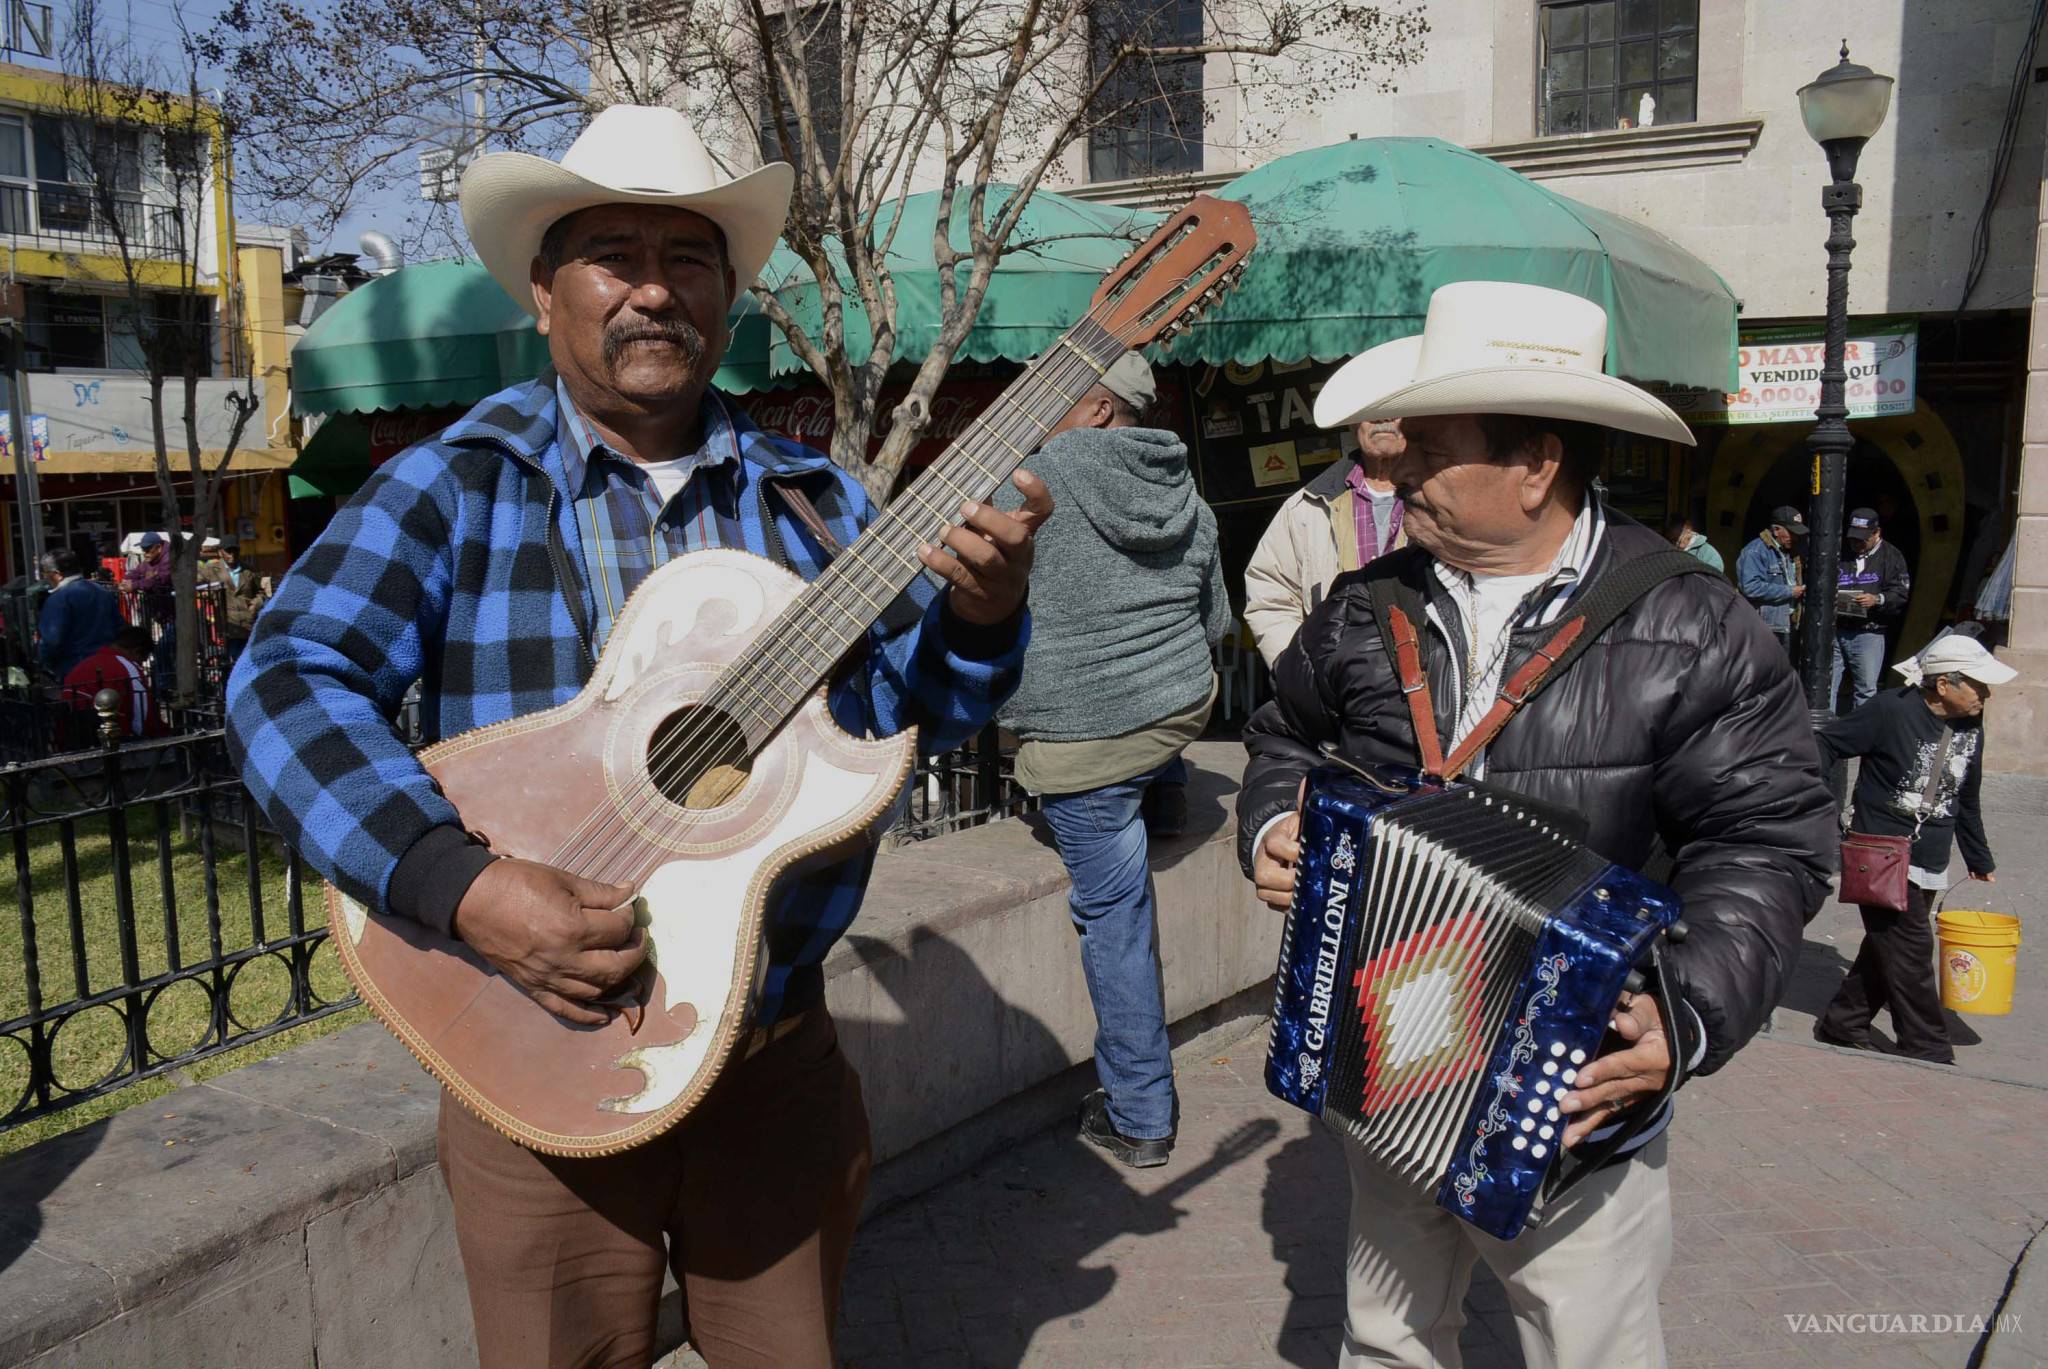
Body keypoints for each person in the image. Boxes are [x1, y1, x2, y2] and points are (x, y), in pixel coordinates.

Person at [225, 105, 1045, 1369]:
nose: (653, 289)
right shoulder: (455, 484)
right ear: (545, 290)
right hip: (533, 1060)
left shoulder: (817, 499)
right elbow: (283, 679)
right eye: (614, 254)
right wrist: (464, 885)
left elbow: (901, 722)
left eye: (690, 259)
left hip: (773, 1066)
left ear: (725, 294)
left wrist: (982, 618)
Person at [1238, 282, 1836, 1369]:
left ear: (1535, 463)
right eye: (1397, 442)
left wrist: (1685, 1008)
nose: (1392, 467)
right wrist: (1272, 820)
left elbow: (1769, 840)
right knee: (1382, 1336)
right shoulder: (1362, 606)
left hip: (1569, 1086)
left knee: (1585, 1344)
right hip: (1385, 1052)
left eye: (1429, 446)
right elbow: (1282, 734)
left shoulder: (1690, 623)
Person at [994, 349, 1231, 1169]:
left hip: (1087, 740)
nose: (1029, 411)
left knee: (1115, 917)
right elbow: (1215, 624)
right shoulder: (1183, 485)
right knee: (1147, 744)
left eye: (1048, 395)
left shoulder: (1027, 482)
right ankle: (1161, 793)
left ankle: (1139, 1112)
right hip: (1177, 708)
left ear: (1097, 410)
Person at [1812, 634, 2012, 1063]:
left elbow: (1967, 797)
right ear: (1945, 685)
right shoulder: (1890, 709)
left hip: (1929, 855)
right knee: (1913, 951)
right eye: (1978, 685)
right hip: (1880, 850)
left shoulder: (1971, 724)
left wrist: (1979, 857)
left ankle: (1844, 1023)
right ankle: (1926, 1044)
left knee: (1889, 945)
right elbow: (1827, 743)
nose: (1986, 694)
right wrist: (1816, 802)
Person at [1244, 366, 1412, 667]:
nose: (1382, 417)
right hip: (1341, 684)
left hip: (1428, 681)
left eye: (1394, 406)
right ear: (1353, 423)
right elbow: (1269, 595)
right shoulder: (1309, 505)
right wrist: (1299, 671)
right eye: (1369, 407)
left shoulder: (1439, 497)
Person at [1833, 506, 1910, 712]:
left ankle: (1861, 733)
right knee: (1828, 686)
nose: (1856, 544)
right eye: (1853, 538)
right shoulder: (1840, 552)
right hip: (1837, 629)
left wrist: (1878, 599)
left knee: (1866, 688)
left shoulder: (1892, 556)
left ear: (1876, 533)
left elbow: (1901, 593)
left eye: (1862, 539)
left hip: (1869, 632)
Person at [36, 548, 126, 681]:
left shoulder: (58, 599)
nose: (44, 577)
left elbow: (51, 642)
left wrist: (44, 662)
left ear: (57, 574)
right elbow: (120, 626)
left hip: (75, 669)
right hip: (109, 666)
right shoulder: (101, 591)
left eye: (45, 573)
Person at [62, 625, 164, 739]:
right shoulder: (128, 668)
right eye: (142, 661)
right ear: (137, 652)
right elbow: (142, 715)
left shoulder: (81, 667)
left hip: (75, 738)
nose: (140, 665)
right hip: (118, 740)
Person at [1736, 505, 1807, 658]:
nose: (1795, 537)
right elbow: (1750, 587)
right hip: (1764, 627)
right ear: (1776, 530)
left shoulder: (1790, 553)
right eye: (1791, 532)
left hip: (1785, 625)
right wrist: (1790, 591)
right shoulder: (1755, 551)